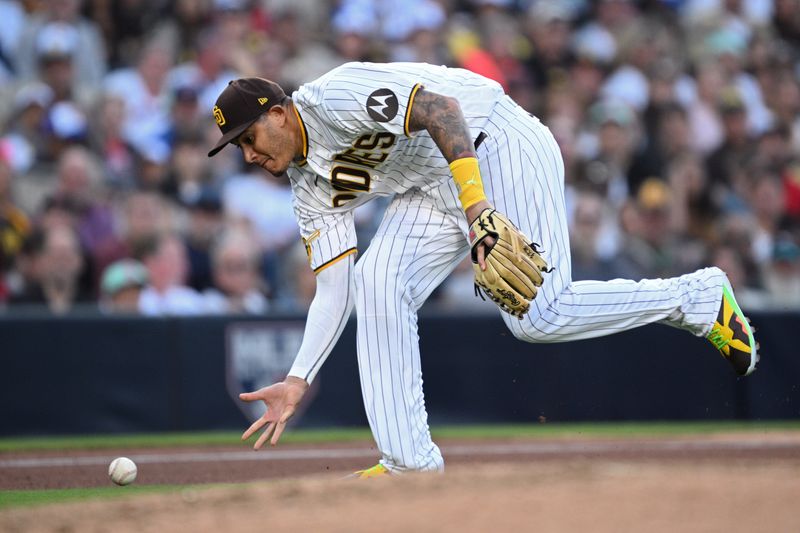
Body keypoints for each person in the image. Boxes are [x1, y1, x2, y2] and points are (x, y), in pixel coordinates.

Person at [207, 63, 759, 477]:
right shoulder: (308, 189)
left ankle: (698, 298)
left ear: (277, 114)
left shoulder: (335, 96)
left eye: (248, 138)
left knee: (538, 317)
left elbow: (442, 110)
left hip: (496, 145)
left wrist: (478, 211)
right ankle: (409, 463)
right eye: (237, 148)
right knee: (374, 281)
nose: (248, 155)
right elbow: (333, 287)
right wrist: (301, 375)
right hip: (430, 186)